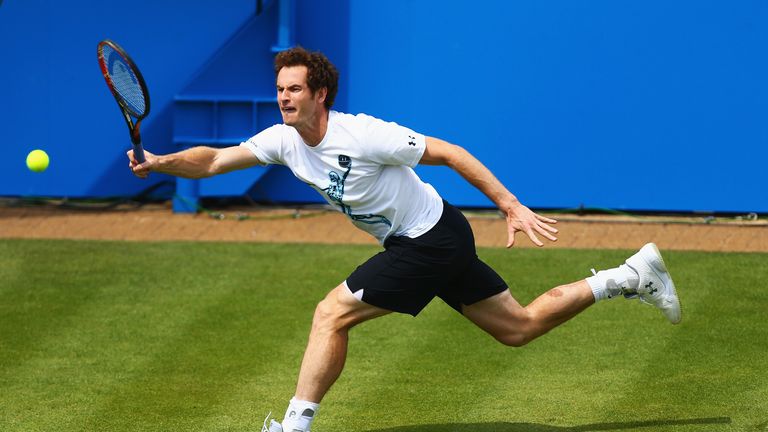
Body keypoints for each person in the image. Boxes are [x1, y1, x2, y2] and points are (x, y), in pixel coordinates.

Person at [127, 47, 681, 432]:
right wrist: (162, 162)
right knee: (520, 327)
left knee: (330, 314)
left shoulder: (365, 134)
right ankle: (629, 276)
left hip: (431, 239)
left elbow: (452, 153)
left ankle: (296, 421)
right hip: (421, 241)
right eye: (279, 89)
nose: (283, 98)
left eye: (294, 89)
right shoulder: (282, 139)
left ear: (320, 93)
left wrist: (510, 205)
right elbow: (217, 160)